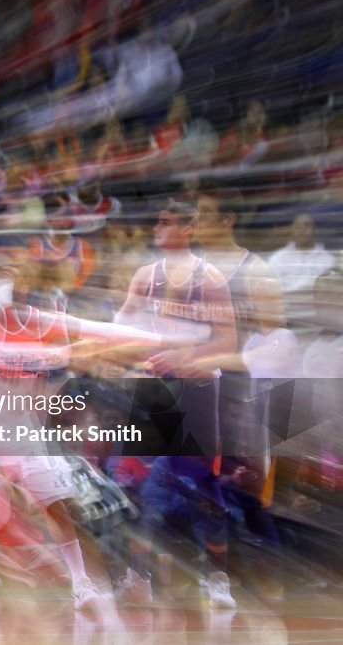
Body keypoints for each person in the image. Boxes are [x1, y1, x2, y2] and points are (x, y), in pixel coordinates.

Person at [0, 272, 189, 613]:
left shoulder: (37, 326)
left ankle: (81, 583)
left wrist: (163, 340)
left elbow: (100, 331)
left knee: (57, 502)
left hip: (22, 433)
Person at [113, 199, 238, 609]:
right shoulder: (146, 277)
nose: (157, 228)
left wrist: (184, 359)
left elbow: (227, 342)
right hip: (154, 388)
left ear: (188, 229)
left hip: (198, 390)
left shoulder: (211, 278)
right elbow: (121, 324)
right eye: (157, 221)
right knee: (137, 479)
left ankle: (218, 578)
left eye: (167, 222)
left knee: (203, 486)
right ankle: (138, 577)